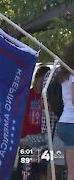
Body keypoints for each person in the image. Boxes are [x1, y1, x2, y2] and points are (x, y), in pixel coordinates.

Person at [19, 66, 50, 180]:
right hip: (26, 139)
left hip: (42, 140)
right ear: (37, 78)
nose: (42, 83)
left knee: (43, 170)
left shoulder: (47, 96)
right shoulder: (27, 94)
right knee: (26, 173)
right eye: (42, 80)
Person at [41, 68, 66, 180]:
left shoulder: (55, 73)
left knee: (57, 166)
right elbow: (44, 104)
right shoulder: (54, 73)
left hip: (60, 128)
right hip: (54, 129)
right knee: (55, 166)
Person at [57, 40, 74, 180]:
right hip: (71, 124)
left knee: (71, 172)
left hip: (66, 122)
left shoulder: (66, 75)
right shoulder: (73, 75)